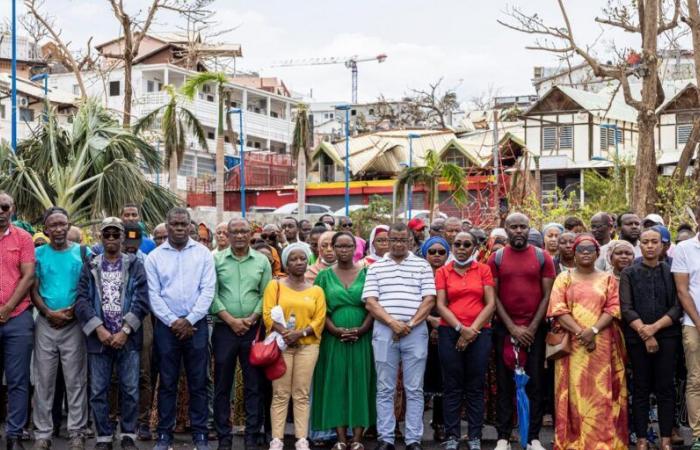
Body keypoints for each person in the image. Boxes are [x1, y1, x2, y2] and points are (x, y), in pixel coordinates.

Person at [74, 217, 150, 450]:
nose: (111, 238)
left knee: (130, 389)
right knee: (98, 390)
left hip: (127, 338)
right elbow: (82, 300)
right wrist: (99, 328)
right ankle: (104, 437)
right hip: (99, 339)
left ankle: (128, 434)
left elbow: (142, 300)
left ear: (122, 237)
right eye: (106, 234)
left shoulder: (134, 264)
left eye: (115, 234)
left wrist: (125, 330)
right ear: (101, 237)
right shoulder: (91, 264)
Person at [547, 234, 628, 449]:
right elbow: (558, 309)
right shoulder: (563, 279)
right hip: (572, 346)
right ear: (574, 253)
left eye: (589, 250)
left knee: (602, 392)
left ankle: (603, 441)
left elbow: (613, 308)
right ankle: (573, 441)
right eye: (580, 249)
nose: (585, 253)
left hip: (602, 345)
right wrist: (582, 333)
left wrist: (593, 330)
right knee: (573, 390)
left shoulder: (608, 279)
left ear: (597, 253)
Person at [145, 207, 216, 450]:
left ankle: (200, 435)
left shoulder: (203, 254)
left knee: (198, 382)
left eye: (183, 224)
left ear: (189, 226)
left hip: (196, 326)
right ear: (167, 225)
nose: (178, 228)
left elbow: (208, 291)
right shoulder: (155, 257)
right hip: (167, 327)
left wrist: (190, 319)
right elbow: (153, 295)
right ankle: (164, 435)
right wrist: (173, 321)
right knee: (167, 382)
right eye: (174, 224)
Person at [362, 222, 437, 450]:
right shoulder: (376, 267)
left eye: (402, 240)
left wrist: (410, 324)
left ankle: (413, 439)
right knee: (385, 387)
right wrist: (393, 323)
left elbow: (429, 300)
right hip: (385, 330)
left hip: (415, 332)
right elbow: (370, 302)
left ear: (410, 241)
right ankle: (386, 438)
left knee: (414, 388)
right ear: (387, 241)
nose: (397, 244)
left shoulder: (422, 266)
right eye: (393, 240)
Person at [487, 213, 555, 450]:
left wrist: (532, 328)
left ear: (529, 229)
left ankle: (533, 437)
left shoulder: (542, 256)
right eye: (513, 227)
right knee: (505, 385)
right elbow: (492, 297)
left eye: (522, 227)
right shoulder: (496, 258)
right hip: (504, 330)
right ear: (505, 229)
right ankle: (504, 436)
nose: (518, 231)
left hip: (535, 330)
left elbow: (548, 295)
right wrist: (513, 328)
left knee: (535, 383)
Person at [210, 219, 272, 450]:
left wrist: (252, 319)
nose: (238, 236)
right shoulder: (216, 260)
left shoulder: (261, 261)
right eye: (233, 232)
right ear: (226, 234)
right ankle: (224, 438)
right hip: (224, 329)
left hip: (253, 330)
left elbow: (267, 294)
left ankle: (251, 437)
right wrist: (231, 320)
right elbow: (211, 294)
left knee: (254, 385)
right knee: (222, 385)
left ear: (251, 234)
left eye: (243, 231)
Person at [32, 207, 89, 450]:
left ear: (69, 225)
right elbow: (33, 289)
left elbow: (87, 288)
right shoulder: (38, 254)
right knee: (43, 381)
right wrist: (48, 312)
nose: (58, 229)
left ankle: (76, 432)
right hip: (46, 323)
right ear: (45, 229)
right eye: (53, 225)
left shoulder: (81, 253)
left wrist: (73, 310)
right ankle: (42, 434)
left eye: (62, 224)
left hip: (74, 323)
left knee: (75, 380)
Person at [312, 232, 375, 450]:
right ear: (333, 248)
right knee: (336, 383)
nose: (344, 250)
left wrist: (363, 328)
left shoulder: (368, 273)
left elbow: (374, 304)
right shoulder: (323, 276)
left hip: (362, 336)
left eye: (348, 246)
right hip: (333, 338)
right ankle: (340, 437)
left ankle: (357, 438)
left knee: (360, 381)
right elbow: (319, 310)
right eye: (339, 246)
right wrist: (336, 331)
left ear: (356, 248)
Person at [621, 227, 681, 450]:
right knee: (641, 388)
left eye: (654, 242)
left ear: (662, 245)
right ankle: (643, 439)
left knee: (666, 387)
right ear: (639, 244)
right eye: (645, 242)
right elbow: (626, 309)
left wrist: (654, 329)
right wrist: (645, 333)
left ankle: (665, 438)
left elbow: (677, 307)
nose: (650, 246)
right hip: (637, 338)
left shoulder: (671, 271)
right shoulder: (629, 273)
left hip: (667, 336)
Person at [436, 231, 496, 450]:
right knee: (452, 386)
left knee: (475, 386)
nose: (461, 248)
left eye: (466, 244)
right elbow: (441, 305)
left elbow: (490, 303)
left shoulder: (483, 269)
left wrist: (472, 331)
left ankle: (474, 436)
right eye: (457, 244)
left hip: (480, 333)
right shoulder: (443, 271)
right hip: (450, 331)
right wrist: (461, 329)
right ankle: (452, 435)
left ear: (474, 247)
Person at [263, 243, 326, 450]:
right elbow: (267, 314)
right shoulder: (275, 285)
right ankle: (277, 438)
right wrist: (286, 333)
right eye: (293, 259)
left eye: (302, 259)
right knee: (280, 393)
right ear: (286, 263)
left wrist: (301, 333)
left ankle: (301, 438)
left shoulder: (316, 290)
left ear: (308, 261)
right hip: (281, 346)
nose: (298, 262)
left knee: (301, 393)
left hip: (307, 346)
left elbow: (319, 319)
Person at [0, 192, 36, 450]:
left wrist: (8, 307)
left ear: (12, 209)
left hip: (17, 317)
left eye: (4, 206)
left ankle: (14, 434)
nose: (0, 211)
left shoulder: (23, 238)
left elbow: (28, 276)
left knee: (18, 380)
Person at [672, 222, 700, 449]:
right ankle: (699, 435)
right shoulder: (684, 248)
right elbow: (682, 290)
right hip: (694, 323)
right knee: (696, 380)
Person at [420, 236, 451, 443]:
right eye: (432, 252)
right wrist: (430, 320)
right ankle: (413, 426)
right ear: (425, 254)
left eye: (441, 252)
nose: (437, 255)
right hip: (418, 329)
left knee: (443, 379)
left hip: (447, 328)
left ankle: (440, 424)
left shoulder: (452, 274)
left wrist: (440, 323)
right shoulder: (417, 274)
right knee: (418, 381)